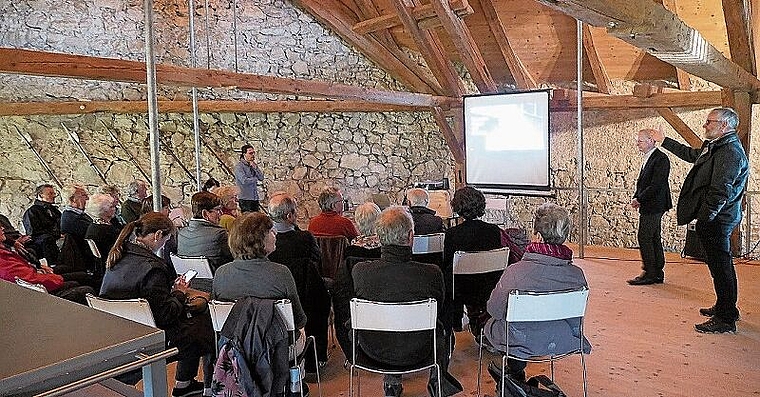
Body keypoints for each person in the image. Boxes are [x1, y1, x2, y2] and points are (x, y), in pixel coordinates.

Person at [651, 107, 749, 334]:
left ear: (724, 126)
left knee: (722, 267)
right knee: (719, 266)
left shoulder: (730, 152)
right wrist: (664, 140)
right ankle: (726, 308)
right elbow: (691, 155)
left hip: (718, 219)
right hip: (715, 218)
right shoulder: (715, 146)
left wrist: (704, 219)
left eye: (709, 122)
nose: (705, 125)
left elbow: (720, 191)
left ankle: (725, 318)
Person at [100, 213, 214, 397]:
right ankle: (197, 385)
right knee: (205, 325)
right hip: (152, 334)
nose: (165, 244)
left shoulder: (118, 256)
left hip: (120, 329)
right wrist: (179, 292)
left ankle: (185, 384)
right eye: (166, 238)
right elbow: (167, 315)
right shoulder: (153, 267)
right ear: (157, 235)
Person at [351, 207, 462, 397]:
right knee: (443, 323)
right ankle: (437, 380)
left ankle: (392, 380)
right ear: (411, 237)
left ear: (378, 237)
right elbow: (442, 311)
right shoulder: (431, 273)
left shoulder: (359, 272)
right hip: (421, 349)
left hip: (372, 350)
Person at [484, 203, 590, 384]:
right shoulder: (577, 276)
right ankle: (515, 381)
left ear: (538, 236)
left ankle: (513, 377)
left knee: (505, 326)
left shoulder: (516, 272)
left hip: (518, 340)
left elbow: (493, 310)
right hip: (560, 339)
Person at [212, 212, 307, 356]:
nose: (275, 233)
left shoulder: (220, 273)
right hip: (277, 348)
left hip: (236, 347)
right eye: (270, 231)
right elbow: (299, 320)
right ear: (258, 240)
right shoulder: (280, 273)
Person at [267, 192, 331, 369]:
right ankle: (316, 356)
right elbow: (317, 261)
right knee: (322, 298)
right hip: (305, 297)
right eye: (295, 212)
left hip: (273, 300)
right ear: (289, 216)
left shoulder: (266, 242)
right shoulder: (304, 238)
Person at [444, 186, 503, 338]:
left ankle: (455, 322)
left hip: (461, 289)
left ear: (457, 207)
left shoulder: (452, 234)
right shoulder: (494, 231)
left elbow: (448, 264)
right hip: (488, 285)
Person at [0, 226, 94, 304]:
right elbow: (30, 280)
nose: (3, 228)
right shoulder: (3, 260)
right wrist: (53, 277)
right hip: (38, 297)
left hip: (37, 280)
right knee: (85, 288)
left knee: (76, 278)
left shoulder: (4, 250)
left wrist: (39, 268)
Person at [627, 129, 672, 286]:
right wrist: (636, 196)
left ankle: (650, 272)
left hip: (655, 204)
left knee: (645, 237)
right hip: (650, 203)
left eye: (640, 141)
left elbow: (656, 184)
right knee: (653, 237)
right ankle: (657, 272)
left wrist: (639, 198)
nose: (637, 144)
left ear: (651, 141)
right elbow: (643, 182)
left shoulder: (660, 159)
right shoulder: (650, 157)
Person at [177, 191, 233, 273]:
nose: (221, 213)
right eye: (217, 210)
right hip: (214, 282)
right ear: (205, 213)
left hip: (188, 282)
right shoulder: (219, 234)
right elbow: (233, 258)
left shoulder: (181, 233)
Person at [84, 193, 121, 283]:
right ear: (103, 211)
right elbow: (119, 247)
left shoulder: (94, 225)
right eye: (111, 207)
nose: (114, 209)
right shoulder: (105, 230)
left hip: (105, 264)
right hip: (113, 263)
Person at [22, 184, 62, 265]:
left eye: (54, 193)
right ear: (40, 195)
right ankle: (54, 265)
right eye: (50, 193)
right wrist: (57, 234)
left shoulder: (54, 210)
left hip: (56, 237)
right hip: (44, 242)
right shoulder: (32, 212)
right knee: (47, 239)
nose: (54, 196)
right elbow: (34, 233)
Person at [234, 144, 264, 212]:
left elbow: (261, 177)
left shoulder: (253, 165)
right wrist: (255, 179)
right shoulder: (239, 167)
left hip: (254, 197)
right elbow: (244, 181)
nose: (253, 155)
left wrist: (255, 168)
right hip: (245, 198)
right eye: (250, 153)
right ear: (244, 154)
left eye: (253, 153)